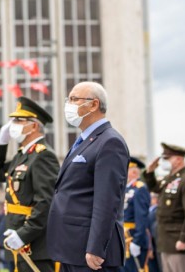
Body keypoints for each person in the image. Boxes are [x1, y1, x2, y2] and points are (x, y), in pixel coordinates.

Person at [46, 81, 130, 272]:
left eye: (75, 99)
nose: (69, 104)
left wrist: (96, 247)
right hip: (72, 246)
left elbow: (107, 200)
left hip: (90, 251)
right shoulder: (84, 140)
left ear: (94, 104)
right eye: (69, 99)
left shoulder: (109, 141)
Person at [0, 96, 60, 271]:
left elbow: (47, 202)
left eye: (19, 120)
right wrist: (0, 143)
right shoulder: (22, 155)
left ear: (34, 125)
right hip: (17, 239)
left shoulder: (43, 156)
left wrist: (23, 235)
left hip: (35, 244)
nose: (13, 125)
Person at [143, 143, 185, 272]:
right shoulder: (169, 179)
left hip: (178, 241)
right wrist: (150, 172)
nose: (164, 162)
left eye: (167, 159)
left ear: (178, 159)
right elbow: (154, 188)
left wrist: (184, 238)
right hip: (165, 240)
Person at [122, 158, 150, 272]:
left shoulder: (139, 189)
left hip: (133, 237)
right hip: (124, 236)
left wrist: (137, 241)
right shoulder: (126, 188)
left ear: (133, 172)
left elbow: (141, 217)